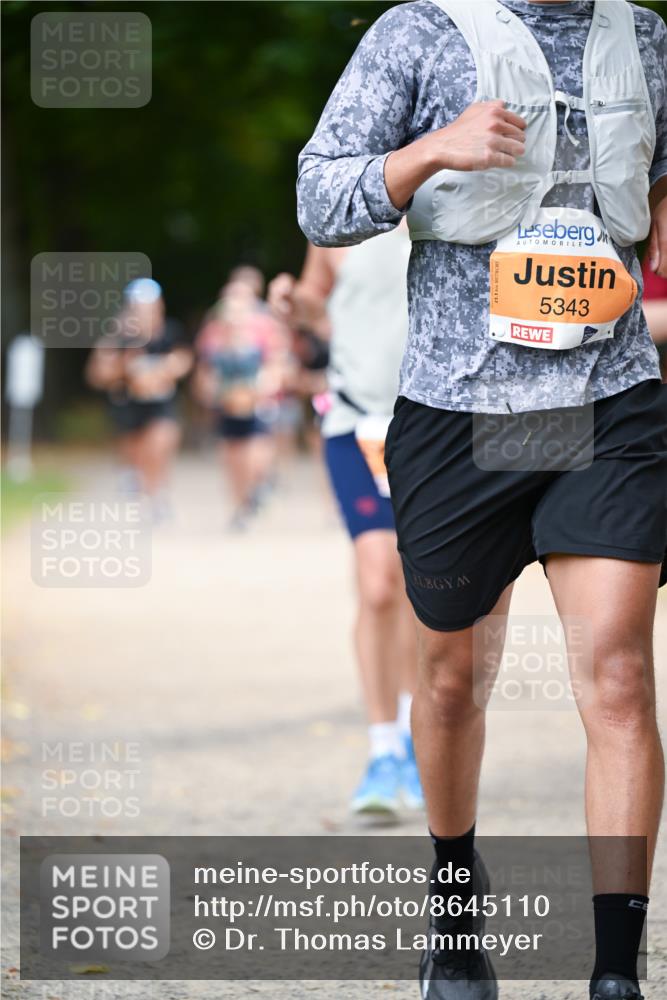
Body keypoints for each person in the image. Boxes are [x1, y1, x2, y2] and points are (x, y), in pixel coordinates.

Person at [297, 1, 667, 998]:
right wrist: (430, 151)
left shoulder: (647, 38)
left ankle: (613, 973)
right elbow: (320, 198)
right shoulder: (417, 33)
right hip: (461, 412)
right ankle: (454, 912)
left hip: (609, 405)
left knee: (620, 674)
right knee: (453, 678)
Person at [269, 224, 424, 817]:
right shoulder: (345, 205)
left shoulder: (451, 194)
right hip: (354, 419)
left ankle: (417, 735)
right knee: (378, 582)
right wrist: (293, 300)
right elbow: (317, 299)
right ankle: (382, 749)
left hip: (429, 421)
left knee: (422, 586)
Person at [86, 278, 192, 516]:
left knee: (160, 445)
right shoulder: (117, 336)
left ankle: (157, 497)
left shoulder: (170, 332)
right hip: (128, 406)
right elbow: (97, 374)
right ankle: (143, 491)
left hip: (161, 404)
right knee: (138, 457)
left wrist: (166, 369)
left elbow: (185, 359)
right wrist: (124, 367)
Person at [194, 277, 286, 531]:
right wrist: (211, 393)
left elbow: (275, 364)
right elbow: (206, 371)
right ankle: (239, 506)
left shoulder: (264, 329)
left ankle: (256, 488)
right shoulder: (213, 335)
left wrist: (263, 388)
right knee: (232, 458)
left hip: (257, 406)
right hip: (227, 406)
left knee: (255, 459)